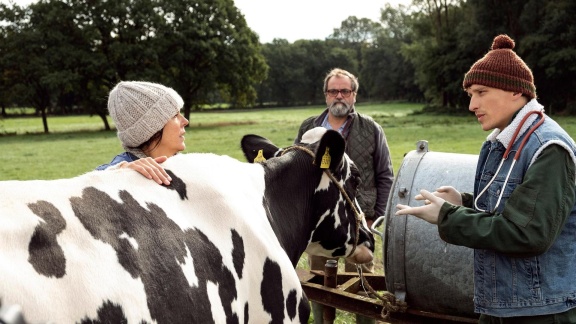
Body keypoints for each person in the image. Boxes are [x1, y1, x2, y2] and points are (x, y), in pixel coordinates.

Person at [396, 34, 576, 323]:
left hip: (541, 311)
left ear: (515, 91)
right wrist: (463, 201)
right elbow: (507, 208)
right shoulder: (499, 141)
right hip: (500, 305)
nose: (471, 105)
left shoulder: (549, 148)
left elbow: (527, 234)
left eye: (481, 92)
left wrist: (448, 217)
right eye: (470, 95)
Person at [295, 68, 394, 324]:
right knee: (318, 281)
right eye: (333, 91)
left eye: (345, 91)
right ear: (326, 95)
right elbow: (296, 171)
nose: (339, 96)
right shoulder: (309, 127)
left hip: (360, 220)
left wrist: (375, 219)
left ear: (354, 95)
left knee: (362, 282)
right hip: (319, 222)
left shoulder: (371, 129)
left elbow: (385, 175)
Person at [96, 81, 189, 185]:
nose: (185, 121)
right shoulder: (127, 167)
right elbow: (95, 178)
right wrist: (120, 170)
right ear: (153, 128)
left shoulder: (183, 163)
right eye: (175, 115)